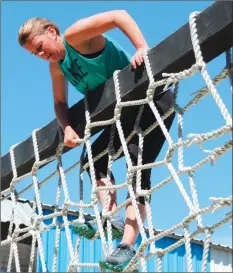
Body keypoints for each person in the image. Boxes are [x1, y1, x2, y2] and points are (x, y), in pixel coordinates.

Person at [18, 10, 175, 271]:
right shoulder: (56, 66)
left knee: (136, 170)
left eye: (40, 47)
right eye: (36, 54)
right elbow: (59, 102)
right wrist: (66, 127)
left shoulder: (75, 36)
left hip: (152, 101)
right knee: (93, 159)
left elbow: (118, 16)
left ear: (51, 32)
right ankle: (108, 217)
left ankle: (127, 246)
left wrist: (141, 47)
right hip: (125, 114)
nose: (42, 55)